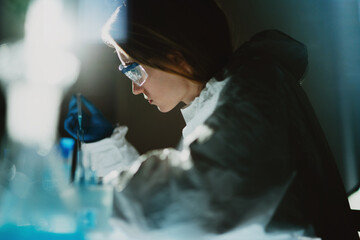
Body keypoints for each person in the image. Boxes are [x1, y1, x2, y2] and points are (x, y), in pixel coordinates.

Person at [65, 0, 358, 239]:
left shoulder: (255, 86)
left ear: (174, 56)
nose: (135, 87)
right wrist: (104, 145)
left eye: (134, 70)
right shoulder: (218, 106)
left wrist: (88, 200)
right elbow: (174, 213)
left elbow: (201, 198)